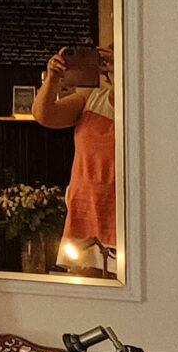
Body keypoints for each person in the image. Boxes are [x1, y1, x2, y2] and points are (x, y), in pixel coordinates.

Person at [34, 46, 116, 276]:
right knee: (85, 282)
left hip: (121, 209)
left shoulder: (142, 105)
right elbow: (45, 115)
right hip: (86, 209)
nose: (108, 63)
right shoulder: (91, 98)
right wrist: (52, 78)